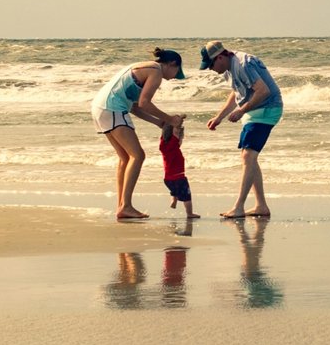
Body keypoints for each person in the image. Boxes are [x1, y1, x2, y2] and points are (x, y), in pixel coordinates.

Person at [90, 47, 186, 220]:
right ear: (172, 64)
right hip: (112, 108)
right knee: (138, 155)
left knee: (126, 158)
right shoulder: (155, 71)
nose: (174, 77)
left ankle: (122, 205)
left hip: (101, 107)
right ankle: (126, 206)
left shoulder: (143, 67)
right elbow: (144, 103)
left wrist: (160, 122)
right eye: (176, 72)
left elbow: (135, 106)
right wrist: (171, 120)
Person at [199, 40, 283, 220]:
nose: (210, 69)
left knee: (248, 156)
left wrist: (241, 110)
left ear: (220, 57)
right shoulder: (229, 68)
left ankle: (238, 207)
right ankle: (261, 205)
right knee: (249, 157)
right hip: (254, 111)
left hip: (267, 109)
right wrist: (219, 117)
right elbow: (237, 93)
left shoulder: (243, 64)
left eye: (211, 65)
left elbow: (263, 91)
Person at [158, 117, 199, 219]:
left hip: (167, 179)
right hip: (179, 178)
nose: (181, 140)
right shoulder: (174, 144)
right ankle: (190, 213)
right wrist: (179, 121)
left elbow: (166, 132)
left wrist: (168, 125)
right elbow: (175, 132)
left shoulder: (163, 144)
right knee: (187, 197)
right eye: (181, 138)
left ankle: (173, 201)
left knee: (175, 190)